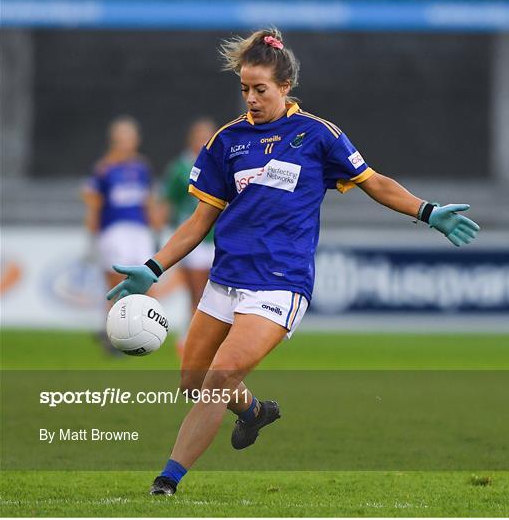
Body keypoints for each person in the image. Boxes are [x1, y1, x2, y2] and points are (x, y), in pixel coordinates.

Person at [106, 29, 480, 495]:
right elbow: (200, 221)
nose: (251, 98)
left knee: (219, 380)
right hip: (226, 280)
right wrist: (154, 267)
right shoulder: (227, 141)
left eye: (260, 89)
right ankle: (255, 412)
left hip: (280, 285)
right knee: (193, 381)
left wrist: (426, 211)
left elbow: (373, 181)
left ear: (285, 87)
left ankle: (166, 482)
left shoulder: (318, 136)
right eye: (244, 89)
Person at [83, 115, 160, 351]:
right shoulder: (104, 169)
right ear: (114, 139)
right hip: (114, 230)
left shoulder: (141, 167)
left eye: (130, 136)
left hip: (139, 230)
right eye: (122, 137)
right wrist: (92, 236)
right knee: (116, 282)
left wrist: (155, 229)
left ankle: (137, 330)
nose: (127, 141)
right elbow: (93, 202)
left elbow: (149, 201)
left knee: (146, 282)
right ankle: (110, 330)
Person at [161, 118, 217, 356]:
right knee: (198, 291)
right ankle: (191, 338)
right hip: (193, 239)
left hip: (217, 238)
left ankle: (195, 336)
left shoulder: (218, 164)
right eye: (199, 136)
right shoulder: (181, 167)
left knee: (211, 292)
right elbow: (166, 202)